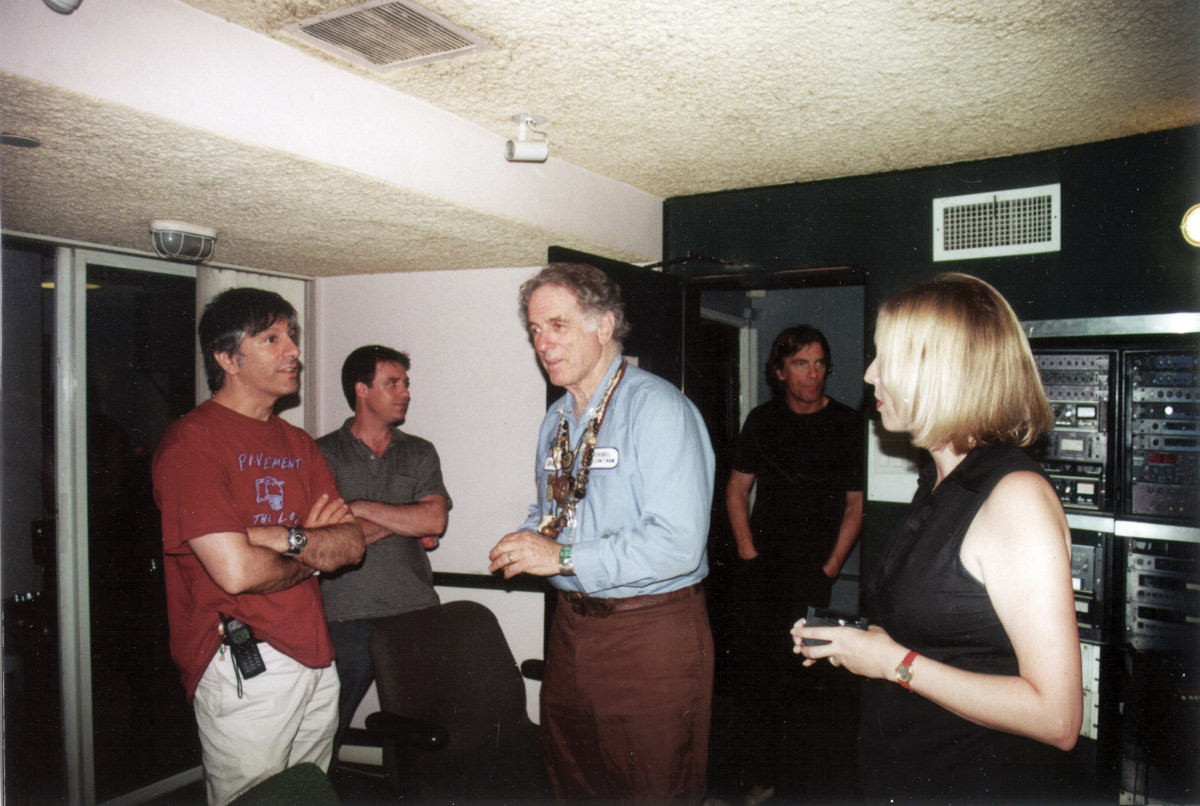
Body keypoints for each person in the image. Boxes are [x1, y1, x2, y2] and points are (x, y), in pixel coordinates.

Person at [792, 273, 1083, 803]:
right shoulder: (939, 480)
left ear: (943, 370)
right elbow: (944, 632)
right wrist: (853, 641)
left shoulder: (1014, 497)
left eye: (887, 358)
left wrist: (893, 663)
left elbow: (1057, 717)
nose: (870, 374)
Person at [488, 263, 716, 804]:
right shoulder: (558, 420)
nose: (543, 343)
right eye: (535, 330)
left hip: (649, 633)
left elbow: (677, 543)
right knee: (575, 783)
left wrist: (560, 556)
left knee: (653, 789)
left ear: (604, 326)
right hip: (572, 631)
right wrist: (527, 536)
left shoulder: (656, 409)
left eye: (557, 325)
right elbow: (557, 508)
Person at [152, 288, 365, 806]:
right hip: (245, 665)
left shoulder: (297, 443)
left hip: (314, 654)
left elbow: (353, 543)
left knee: (309, 793)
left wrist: (282, 538)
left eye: (291, 335)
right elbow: (237, 573)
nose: (292, 350)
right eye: (272, 338)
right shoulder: (191, 443)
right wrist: (312, 553)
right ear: (227, 358)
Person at [724, 324, 863, 798]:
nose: (813, 373)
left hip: (812, 573)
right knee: (758, 677)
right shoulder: (762, 421)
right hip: (762, 568)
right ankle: (757, 779)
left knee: (806, 682)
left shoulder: (846, 423)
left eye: (820, 362)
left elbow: (855, 506)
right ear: (780, 371)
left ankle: (798, 787)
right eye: (801, 363)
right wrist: (747, 553)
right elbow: (737, 492)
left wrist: (830, 568)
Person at [316, 345, 451, 747]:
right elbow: (325, 539)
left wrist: (358, 510)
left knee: (419, 734)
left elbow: (434, 520)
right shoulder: (321, 455)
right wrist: (407, 518)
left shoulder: (420, 451)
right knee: (325, 732)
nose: (404, 391)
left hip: (415, 612)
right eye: (392, 383)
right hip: (343, 617)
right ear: (361, 389)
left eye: (405, 383)